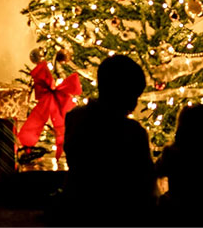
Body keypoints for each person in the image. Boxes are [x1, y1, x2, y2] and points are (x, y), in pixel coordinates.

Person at [52, 55, 158, 227]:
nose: (135, 104)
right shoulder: (133, 131)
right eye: (134, 96)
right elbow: (145, 180)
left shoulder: (75, 117)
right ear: (121, 94)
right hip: (117, 208)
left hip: (77, 201)